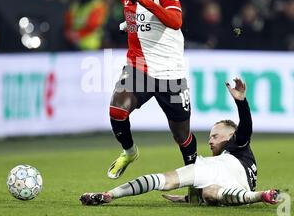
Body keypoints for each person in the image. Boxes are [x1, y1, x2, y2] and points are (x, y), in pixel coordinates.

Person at [80, 78, 281, 207]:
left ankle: (259, 195)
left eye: (215, 136)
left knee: (181, 185)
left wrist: (241, 101)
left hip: (234, 171)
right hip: (220, 175)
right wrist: (187, 198)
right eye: (210, 136)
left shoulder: (239, 143)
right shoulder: (220, 159)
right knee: (185, 186)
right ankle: (107, 195)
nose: (210, 140)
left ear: (231, 136)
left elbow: (246, 125)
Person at [107, 0, 197, 185]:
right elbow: (138, 21)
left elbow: (175, 22)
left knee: (182, 136)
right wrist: (128, 25)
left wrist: (144, 1)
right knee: (117, 111)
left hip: (171, 73)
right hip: (139, 68)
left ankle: (196, 178)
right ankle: (129, 152)